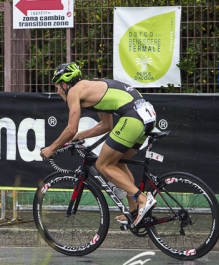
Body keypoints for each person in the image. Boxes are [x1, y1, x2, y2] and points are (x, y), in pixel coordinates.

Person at [40, 62, 157, 226]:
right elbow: (106, 125)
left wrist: (51, 148)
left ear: (64, 84)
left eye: (57, 87)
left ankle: (142, 199)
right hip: (147, 115)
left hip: (133, 117)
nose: (58, 92)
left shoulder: (74, 91)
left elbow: (70, 128)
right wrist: (82, 135)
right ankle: (134, 210)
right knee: (116, 162)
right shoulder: (94, 85)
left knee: (103, 165)